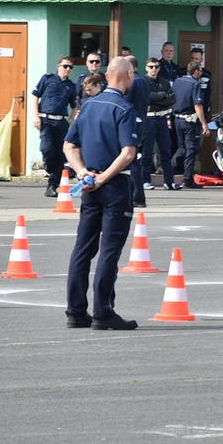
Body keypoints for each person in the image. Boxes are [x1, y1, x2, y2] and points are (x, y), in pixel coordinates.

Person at [63, 57, 140, 331]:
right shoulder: (124, 108)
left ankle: (75, 310)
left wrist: (83, 172)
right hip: (114, 185)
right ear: (128, 75)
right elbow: (128, 152)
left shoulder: (88, 106)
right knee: (109, 249)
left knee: (83, 247)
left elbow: (69, 145)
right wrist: (104, 178)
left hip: (89, 185)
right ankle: (103, 311)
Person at [31, 56, 79, 197]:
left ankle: (52, 185)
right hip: (46, 120)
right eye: (65, 66)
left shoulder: (71, 86)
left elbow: (74, 106)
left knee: (59, 154)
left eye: (70, 67)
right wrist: (35, 116)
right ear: (58, 66)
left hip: (61, 122)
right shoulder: (47, 79)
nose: (68, 69)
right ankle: (49, 168)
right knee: (47, 149)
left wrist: (70, 121)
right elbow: (35, 96)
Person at [171, 61, 210, 189]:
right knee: (191, 149)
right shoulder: (195, 84)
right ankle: (187, 179)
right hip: (189, 121)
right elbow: (198, 105)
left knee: (181, 149)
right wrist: (204, 124)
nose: (201, 73)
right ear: (196, 71)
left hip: (177, 119)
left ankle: (168, 171)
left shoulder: (178, 81)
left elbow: (171, 99)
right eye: (200, 71)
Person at [141, 58, 177, 190]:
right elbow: (145, 97)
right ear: (146, 68)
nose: (153, 69)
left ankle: (169, 181)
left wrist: (156, 99)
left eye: (156, 67)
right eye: (151, 67)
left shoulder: (164, 82)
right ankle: (145, 180)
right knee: (146, 151)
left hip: (162, 119)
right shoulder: (142, 82)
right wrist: (162, 96)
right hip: (148, 119)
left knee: (165, 151)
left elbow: (172, 99)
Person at [124, 56, 150, 207]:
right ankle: (138, 196)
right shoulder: (144, 81)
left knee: (131, 160)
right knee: (135, 160)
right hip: (141, 120)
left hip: (133, 122)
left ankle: (136, 196)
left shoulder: (133, 82)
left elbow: (125, 103)